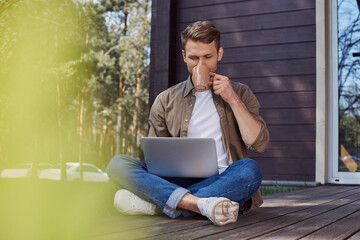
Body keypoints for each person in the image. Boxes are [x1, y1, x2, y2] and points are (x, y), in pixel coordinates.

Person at [106, 21, 269, 226]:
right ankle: (202, 205)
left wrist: (232, 99)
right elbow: (156, 160)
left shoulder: (241, 93)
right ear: (184, 56)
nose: (201, 65)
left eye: (208, 57)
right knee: (118, 163)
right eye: (193, 58)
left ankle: (159, 205)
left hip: (223, 179)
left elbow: (259, 143)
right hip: (176, 179)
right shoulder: (166, 99)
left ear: (219, 54)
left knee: (250, 170)